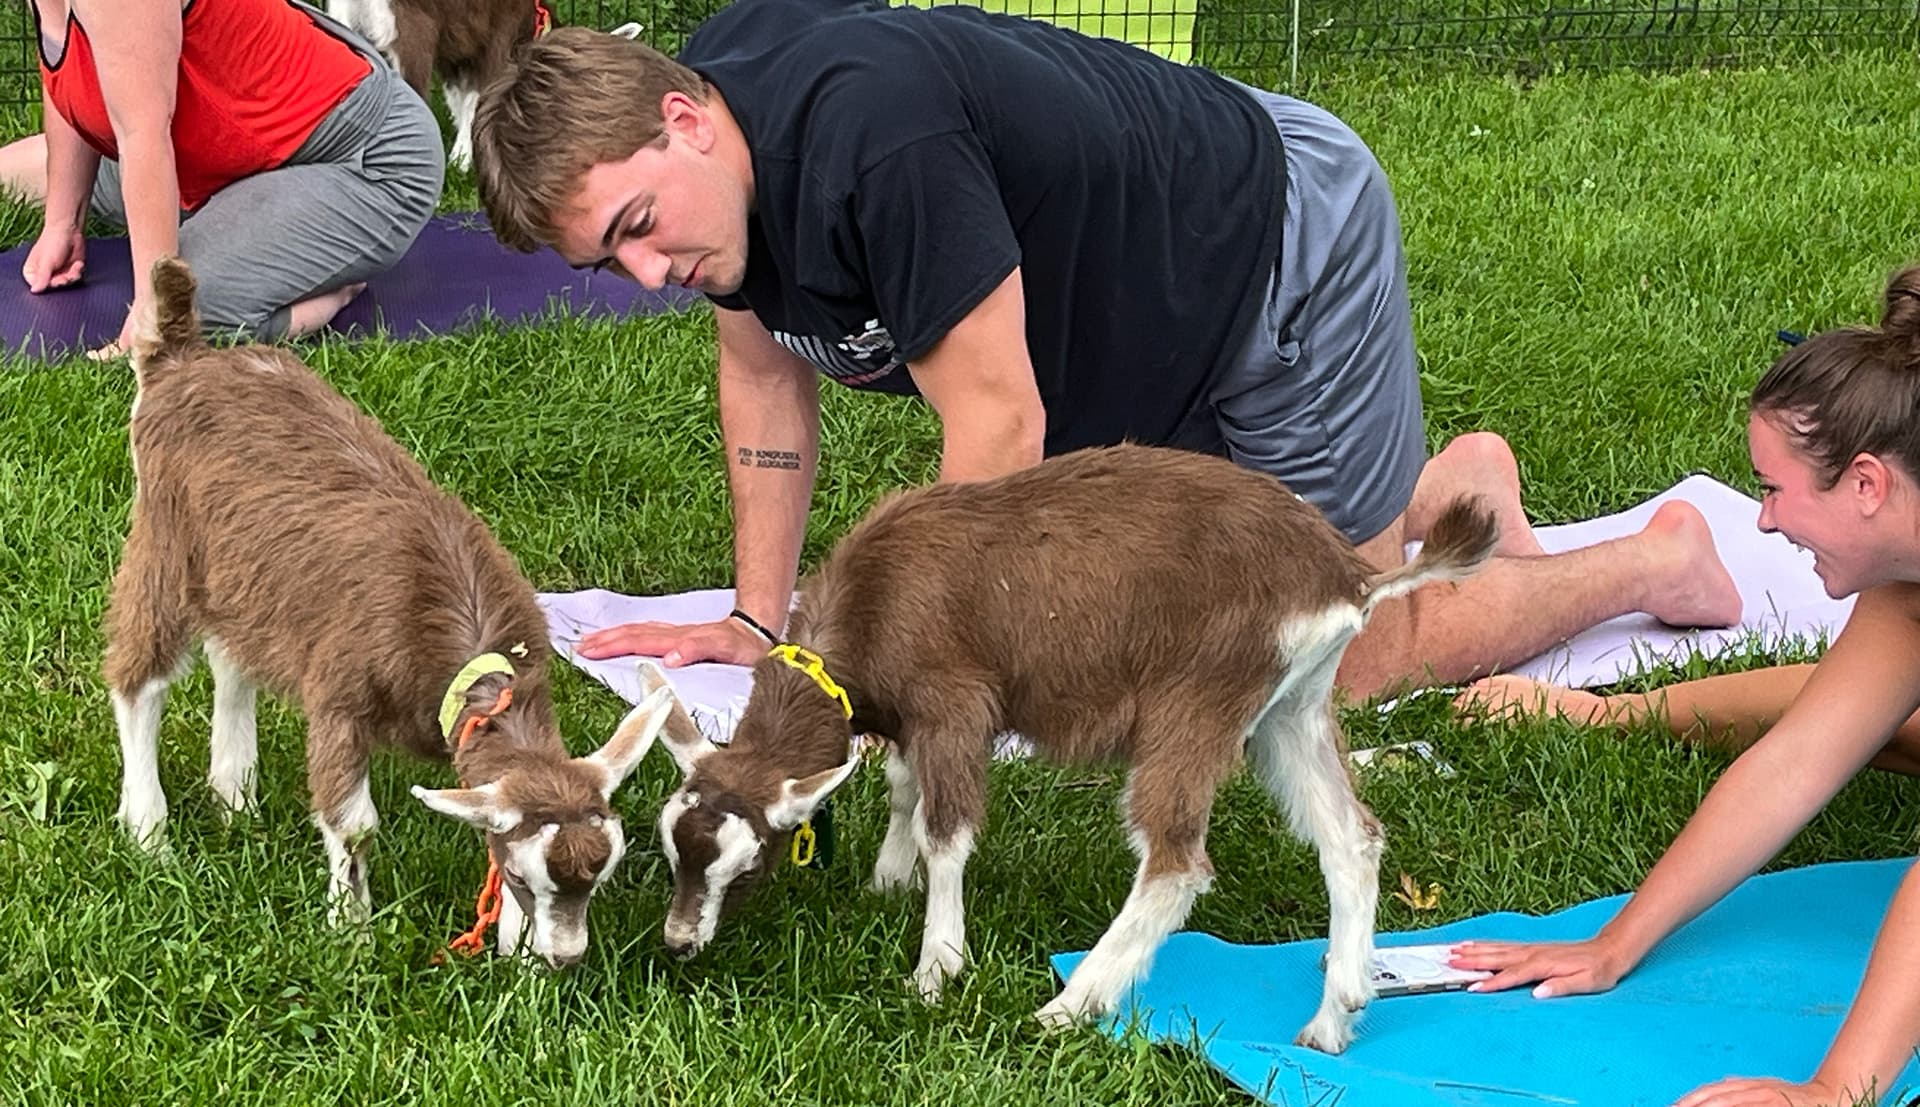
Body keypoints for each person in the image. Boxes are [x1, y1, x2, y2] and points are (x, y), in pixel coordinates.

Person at [469, 0, 1740, 701]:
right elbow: (761, 369)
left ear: (686, 120)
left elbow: (999, 433)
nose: (646, 274)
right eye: (608, 263)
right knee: (1178, 611)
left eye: (638, 229)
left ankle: (1653, 562)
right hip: (1140, 302)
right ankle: (1456, 492)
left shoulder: (873, 148)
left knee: (1323, 668)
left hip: (1271, 246)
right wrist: (756, 620)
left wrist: (895, 682)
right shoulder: (719, 177)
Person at [1452, 265, 1920, 1107]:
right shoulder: (1904, 589)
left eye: (1774, 491)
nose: (1766, 519)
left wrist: (1836, 1091)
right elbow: (1793, 764)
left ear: (1866, 484)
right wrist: (1615, 943)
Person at [0, 0, 445, 356]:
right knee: (17, 175)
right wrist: (63, 222)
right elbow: (68, 66)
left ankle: (335, 286)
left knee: (187, 316)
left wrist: (155, 314)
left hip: (363, 158)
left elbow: (144, 137)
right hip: (223, 154)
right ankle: (249, 232)